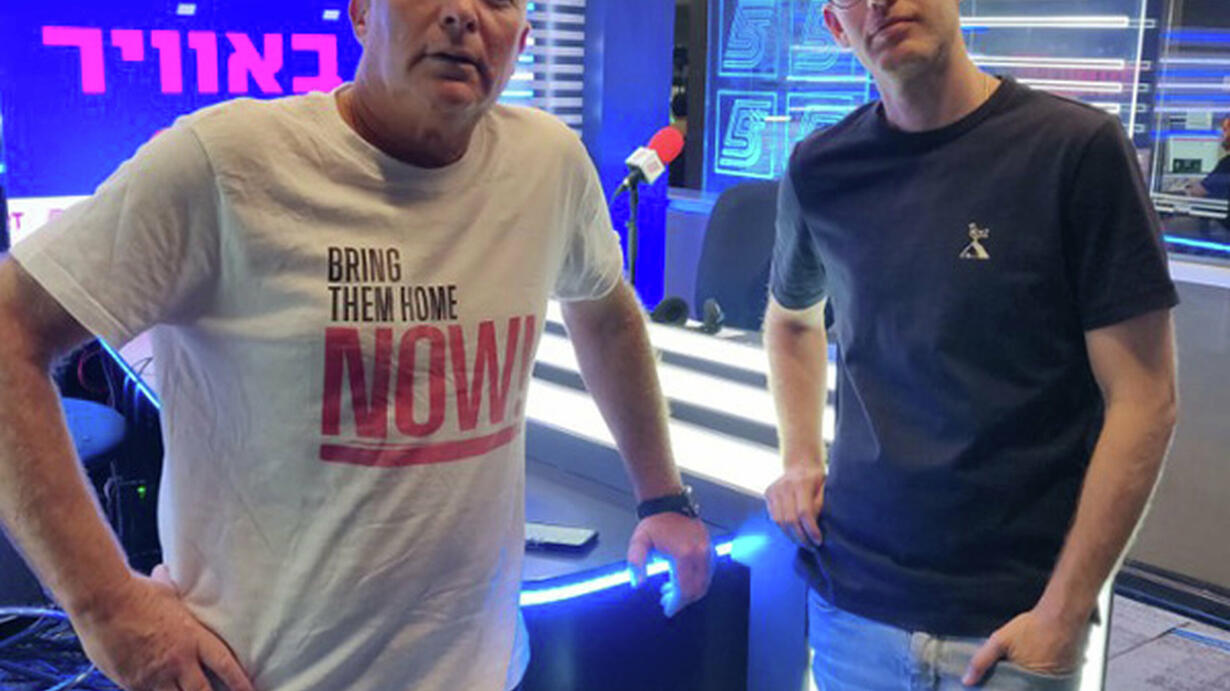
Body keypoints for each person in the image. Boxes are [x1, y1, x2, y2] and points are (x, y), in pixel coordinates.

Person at [0, 1, 713, 689]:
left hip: (486, 670)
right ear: (361, 12)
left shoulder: (549, 163)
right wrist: (106, 608)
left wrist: (662, 495)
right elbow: (10, 328)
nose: (463, 13)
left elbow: (606, 311)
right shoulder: (227, 164)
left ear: (523, 38)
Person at [762, 0, 1179, 688]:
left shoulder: (1075, 150)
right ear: (837, 28)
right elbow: (790, 319)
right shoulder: (820, 168)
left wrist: (1064, 613)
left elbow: (1146, 399)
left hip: (1011, 622)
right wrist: (800, 456)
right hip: (853, 609)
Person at [1184, 115, 1230, 231]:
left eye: (1225, 130)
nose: (1222, 135)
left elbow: (1201, 190)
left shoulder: (1227, 164)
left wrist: (1189, 185)